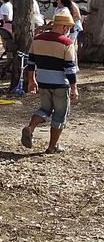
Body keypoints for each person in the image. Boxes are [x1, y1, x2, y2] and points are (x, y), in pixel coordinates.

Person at [21, 12, 79, 154]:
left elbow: (31, 61)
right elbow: (69, 69)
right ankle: (52, 146)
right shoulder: (67, 43)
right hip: (60, 84)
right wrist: (74, 88)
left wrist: (32, 79)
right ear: (65, 27)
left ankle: (30, 128)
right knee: (60, 114)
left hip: (43, 81)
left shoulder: (38, 39)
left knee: (45, 109)